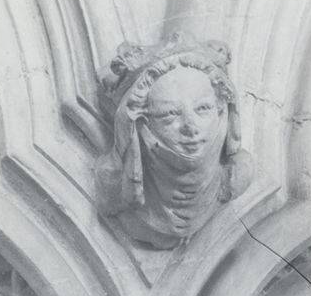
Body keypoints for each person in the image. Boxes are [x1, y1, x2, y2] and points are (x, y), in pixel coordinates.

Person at [96, 34, 252, 248]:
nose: (190, 126)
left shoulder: (236, 175)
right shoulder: (114, 184)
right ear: (142, 122)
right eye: (170, 114)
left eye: (203, 109)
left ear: (221, 109)